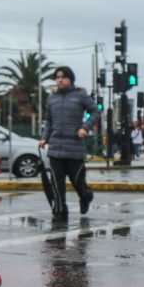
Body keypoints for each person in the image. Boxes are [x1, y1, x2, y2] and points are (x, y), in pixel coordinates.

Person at [38, 66, 99, 217]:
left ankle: (85, 196)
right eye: (57, 77)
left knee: (77, 181)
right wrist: (44, 138)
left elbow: (96, 112)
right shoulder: (52, 98)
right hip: (55, 147)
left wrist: (85, 128)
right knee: (56, 183)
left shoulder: (80, 96)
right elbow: (49, 121)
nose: (60, 79)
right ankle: (60, 210)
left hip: (74, 147)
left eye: (63, 77)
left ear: (70, 79)